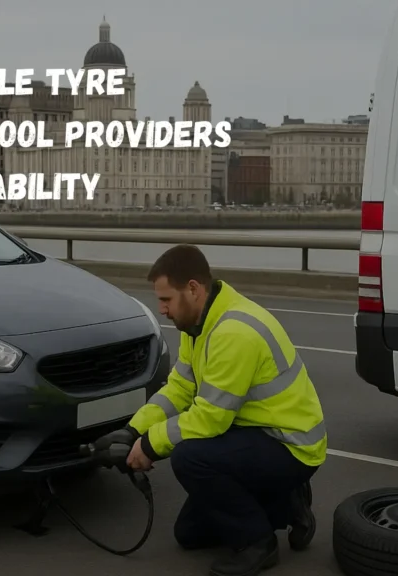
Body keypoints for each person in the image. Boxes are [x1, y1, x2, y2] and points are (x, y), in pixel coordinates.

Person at [96, 244, 327, 576]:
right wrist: (133, 430)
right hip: (253, 433)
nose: (161, 309)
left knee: (190, 458)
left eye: (166, 300)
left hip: (291, 445)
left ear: (193, 289)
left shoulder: (234, 332)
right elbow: (179, 388)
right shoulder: (199, 324)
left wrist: (148, 446)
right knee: (189, 535)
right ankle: (285, 500)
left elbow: (210, 417)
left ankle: (259, 544)